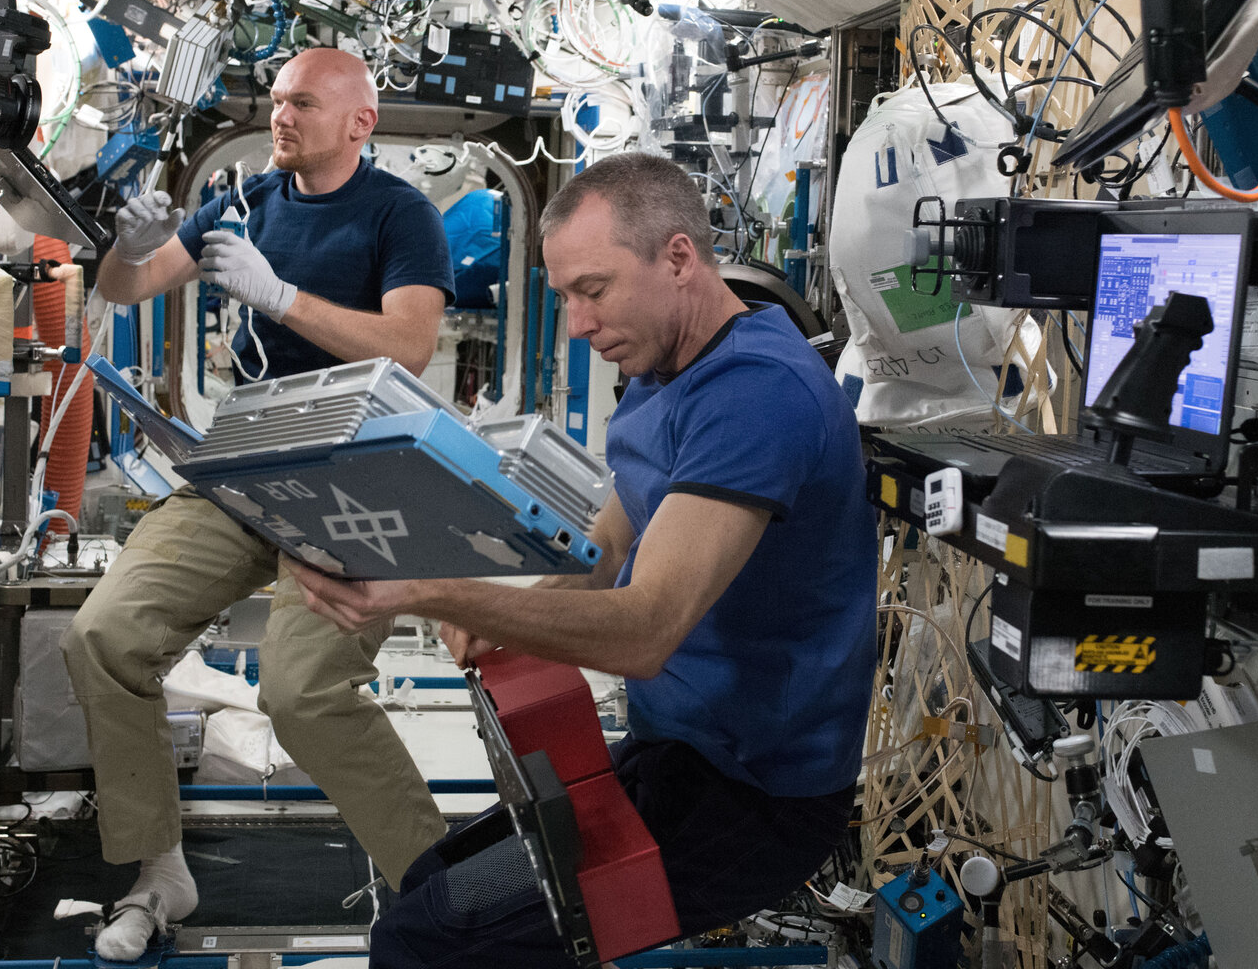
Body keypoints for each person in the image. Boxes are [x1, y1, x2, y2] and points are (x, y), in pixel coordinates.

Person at [285, 151, 877, 967]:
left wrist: (435, 592)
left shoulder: (756, 395)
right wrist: (503, 607)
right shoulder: (664, 367)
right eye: (564, 296)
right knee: (425, 887)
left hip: (752, 799)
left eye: (592, 291)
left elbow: (645, 631)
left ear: (677, 258)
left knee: (427, 942)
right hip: (675, 755)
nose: (576, 324)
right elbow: (603, 550)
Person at [62, 48, 455, 961]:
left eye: (303, 103)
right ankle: (158, 868)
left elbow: (411, 347)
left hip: (351, 474)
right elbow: (131, 287)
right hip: (244, 461)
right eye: (275, 101)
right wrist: (124, 248)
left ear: (361, 122)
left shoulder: (402, 215)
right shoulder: (244, 201)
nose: (281, 116)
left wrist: (280, 296)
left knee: (302, 692)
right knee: (105, 637)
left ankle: (440, 886)